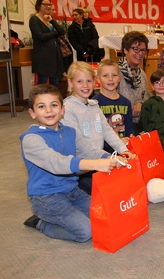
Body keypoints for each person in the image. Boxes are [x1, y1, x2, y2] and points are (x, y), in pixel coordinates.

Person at [21, 84, 125, 242]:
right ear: (32, 113)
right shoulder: (31, 139)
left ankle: (66, 215)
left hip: (72, 191)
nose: (49, 110)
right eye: (42, 106)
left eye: (54, 105)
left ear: (62, 110)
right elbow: (57, 163)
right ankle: (41, 223)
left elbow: (89, 151)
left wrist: (111, 157)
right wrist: (96, 164)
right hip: (46, 197)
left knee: (106, 217)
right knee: (85, 232)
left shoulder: (70, 132)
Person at [62, 62, 134, 193]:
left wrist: (124, 150)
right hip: (81, 168)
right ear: (70, 83)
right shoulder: (67, 108)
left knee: (126, 185)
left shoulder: (94, 105)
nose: (85, 86)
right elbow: (80, 144)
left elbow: (107, 131)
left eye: (89, 81)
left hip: (100, 162)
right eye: (79, 81)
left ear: (95, 82)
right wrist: (108, 157)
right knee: (107, 192)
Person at [92, 59, 134, 151]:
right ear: (98, 79)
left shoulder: (126, 102)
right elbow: (95, 133)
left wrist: (131, 137)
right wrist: (117, 142)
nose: (110, 79)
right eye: (105, 75)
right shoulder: (94, 103)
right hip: (103, 153)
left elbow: (129, 127)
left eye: (114, 75)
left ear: (119, 78)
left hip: (123, 151)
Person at [117, 31, 151, 134]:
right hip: (119, 121)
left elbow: (146, 97)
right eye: (136, 49)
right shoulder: (115, 72)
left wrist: (141, 103)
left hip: (138, 122)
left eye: (143, 50)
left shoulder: (142, 74)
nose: (140, 54)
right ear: (126, 50)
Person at [29, 0, 66, 87]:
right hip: (43, 57)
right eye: (45, 4)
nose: (48, 6)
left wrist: (52, 21)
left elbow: (61, 32)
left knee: (55, 84)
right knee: (42, 84)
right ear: (38, 6)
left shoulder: (49, 19)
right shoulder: (34, 19)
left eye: (49, 4)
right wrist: (54, 33)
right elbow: (40, 36)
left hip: (54, 56)